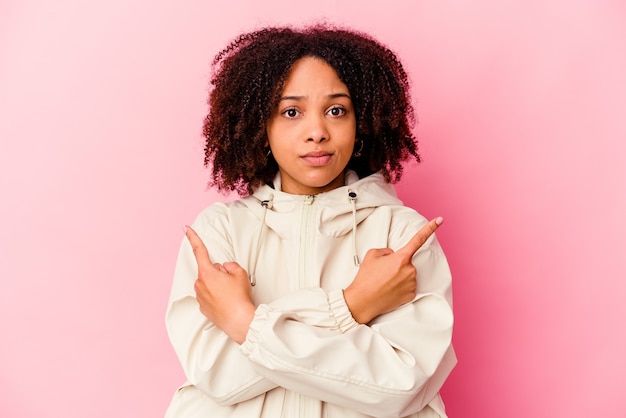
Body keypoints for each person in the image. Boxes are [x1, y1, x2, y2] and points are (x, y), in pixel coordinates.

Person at [165, 24, 457, 418]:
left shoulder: (401, 235)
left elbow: (401, 387)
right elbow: (216, 376)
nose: (317, 132)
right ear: (261, 127)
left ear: (361, 123)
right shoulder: (220, 232)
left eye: (336, 110)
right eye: (291, 112)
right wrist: (351, 307)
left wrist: (244, 323)